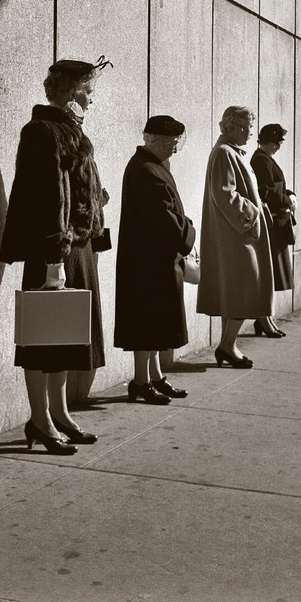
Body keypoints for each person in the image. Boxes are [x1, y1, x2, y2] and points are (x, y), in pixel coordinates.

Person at [0, 56, 113, 454]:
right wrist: (54, 259)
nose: (92, 99)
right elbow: (48, 199)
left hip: (74, 247)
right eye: (89, 91)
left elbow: (72, 189)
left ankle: (59, 413)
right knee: (41, 337)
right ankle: (40, 419)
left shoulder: (68, 129)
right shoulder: (43, 131)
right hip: (54, 250)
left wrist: (94, 203)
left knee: (64, 335)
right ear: (72, 91)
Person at [114, 115, 196, 404]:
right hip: (148, 260)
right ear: (157, 141)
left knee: (154, 322)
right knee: (147, 323)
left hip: (152, 258)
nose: (175, 148)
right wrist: (189, 231)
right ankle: (141, 381)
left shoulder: (150, 165)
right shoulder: (146, 170)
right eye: (173, 142)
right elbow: (165, 219)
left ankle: (154, 377)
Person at [196, 105, 273, 368]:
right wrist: (253, 214)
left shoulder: (229, 152)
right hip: (237, 237)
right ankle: (227, 345)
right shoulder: (224, 153)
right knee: (244, 291)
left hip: (238, 235)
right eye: (249, 127)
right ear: (238, 127)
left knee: (235, 292)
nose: (251, 132)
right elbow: (225, 194)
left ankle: (228, 345)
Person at [250, 123, 297, 338]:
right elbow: (266, 192)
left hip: (276, 224)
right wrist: (288, 199)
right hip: (272, 226)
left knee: (272, 275)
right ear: (268, 142)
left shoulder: (264, 159)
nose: (278, 147)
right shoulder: (261, 160)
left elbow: (275, 187)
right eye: (276, 143)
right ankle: (263, 318)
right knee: (269, 275)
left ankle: (265, 318)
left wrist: (289, 194)